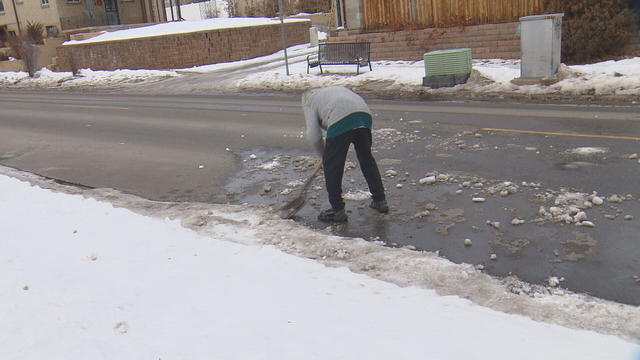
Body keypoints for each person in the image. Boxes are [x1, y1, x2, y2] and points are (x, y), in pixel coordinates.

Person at [302, 86, 388, 222]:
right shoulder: (329, 93)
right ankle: (380, 200)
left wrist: (325, 157)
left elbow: (313, 136)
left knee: (333, 167)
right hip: (364, 115)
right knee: (367, 160)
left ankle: (337, 210)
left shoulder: (309, 102)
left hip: (341, 116)